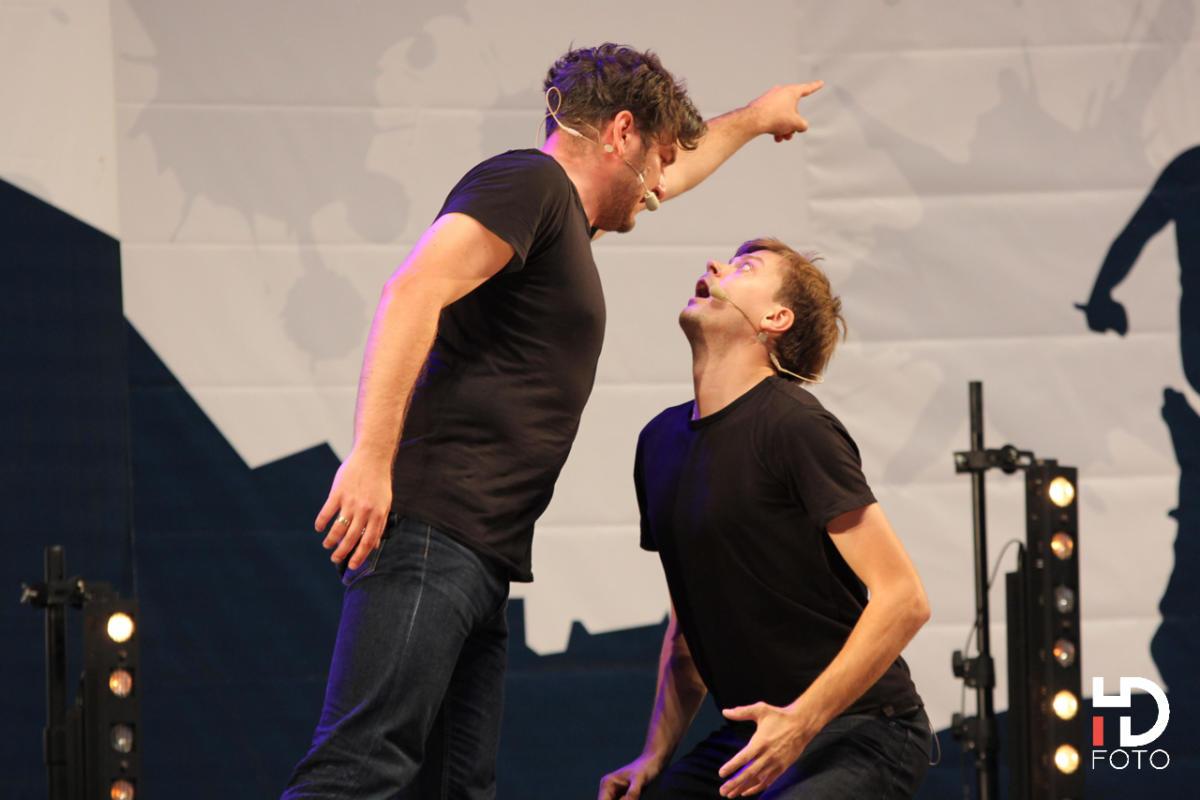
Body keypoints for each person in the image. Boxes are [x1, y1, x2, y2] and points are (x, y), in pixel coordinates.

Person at [282, 43, 824, 799]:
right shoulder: (529, 183)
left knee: (456, 789)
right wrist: (372, 457)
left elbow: (674, 175)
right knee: (359, 770)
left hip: (479, 558)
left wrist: (758, 118)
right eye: (657, 161)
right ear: (622, 132)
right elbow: (412, 292)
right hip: (434, 530)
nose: (660, 189)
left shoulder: (563, 222)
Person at [598, 238, 932, 799]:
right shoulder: (659, 441)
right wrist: (653, 755)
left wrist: (801, 722)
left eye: (744, 267)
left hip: (862, 729)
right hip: (755, 735)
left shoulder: (794, 425)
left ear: (775, 319)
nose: (715, 266)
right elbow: (688, 633)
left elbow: (905, 598)